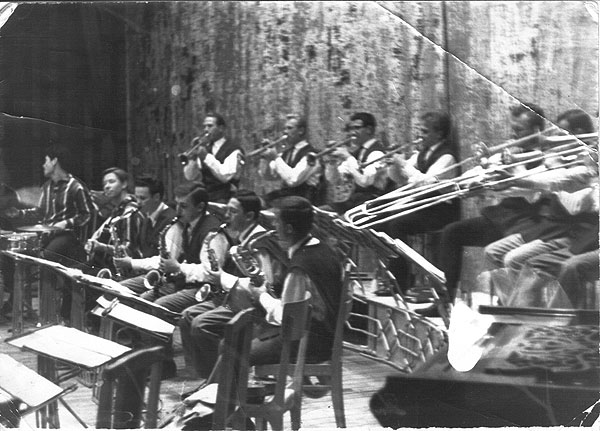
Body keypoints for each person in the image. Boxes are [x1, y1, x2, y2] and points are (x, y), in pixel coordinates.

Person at [191, 196, 344, 381]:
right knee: (231, 342)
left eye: (277, 222)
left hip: (306, 343)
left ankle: (220, 395)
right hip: (322, 335)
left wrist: (261, 295)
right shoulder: (325, 250)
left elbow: (285, 318)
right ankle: (219, 392)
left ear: (289, 228)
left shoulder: (299, 268)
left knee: (231, 348)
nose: (274, 227)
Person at [431, 103, 547, 317]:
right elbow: (485, 177)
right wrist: (471, 184)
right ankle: (444, 301)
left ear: (536, 130)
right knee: (451, 232)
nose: (513, 134)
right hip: (503, 218)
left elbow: (532, 195)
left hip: (527, 223)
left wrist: (507, 171)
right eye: (512, 128)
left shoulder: (545, 157)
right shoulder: (515, 151)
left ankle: (506, 305)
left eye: (519, 130)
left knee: (458, 235)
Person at [482, 108, 597, 287]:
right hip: (550, 227)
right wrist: (502, 183)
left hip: (571, 232)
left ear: (579, 133)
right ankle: (514, 300)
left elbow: (569, 200)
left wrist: (521, 174)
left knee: (514, 259)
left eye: (560, 134)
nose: (554, 139)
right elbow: (538, 180)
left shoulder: (584, 164)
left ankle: (520, 301)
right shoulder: (566, 158)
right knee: (494, 252)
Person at [179, 190, 281, 376]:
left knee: (201, 324)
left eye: (233, 211)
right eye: (227, 210)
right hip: (236, 299)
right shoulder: (243, 238)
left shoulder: (259, 242)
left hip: (254, 307)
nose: (227, 215)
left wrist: (222, 278)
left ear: (249, 216)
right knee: (188, 316)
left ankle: (219, 377)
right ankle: (200, 375)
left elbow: (264, 283)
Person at [2, 142, 97, 318]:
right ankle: (19, 304)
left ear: (54, 161)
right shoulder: (47, 187)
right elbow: (40, 213)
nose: (43, 165)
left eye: (46, 161)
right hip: (50, 237)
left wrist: (65, 223)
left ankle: (53, 313)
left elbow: (87, 214)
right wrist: (18, 213)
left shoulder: (76, 186)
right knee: (13, 256)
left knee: (47, 257)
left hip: (70, 238)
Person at [382, 111, 460, 292]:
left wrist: (403, 164)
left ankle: (400, 282)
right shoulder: (423, 153)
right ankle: (392, 275)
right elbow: (399, 178)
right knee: (384, 218)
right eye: (420, 130)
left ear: (439, 134)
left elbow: (427, 184)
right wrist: (393, 164)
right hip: (425, 206)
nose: (420, 135)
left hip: (441, 210)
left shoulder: (447, 157)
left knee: (397, 224)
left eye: (425, 131)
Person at [129, 183, 221, 311]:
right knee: (143, 300)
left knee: (159, 305)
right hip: (186, 283)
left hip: (205, 289)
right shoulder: (189, 224)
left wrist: (178, 267)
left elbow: (210, 273)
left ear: (200, 207)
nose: (177, 210)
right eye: (176, 204)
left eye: (183, 206)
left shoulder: (212, 233)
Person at [324, 112, 389, 214]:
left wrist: (348, 157)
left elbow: (365, 182)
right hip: (355, 203)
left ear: (369, 129)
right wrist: (332, 163)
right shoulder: (357, 152)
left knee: (332, 219)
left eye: (356, 128)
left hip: (372, 207)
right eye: (350, 129)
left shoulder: (377, 153)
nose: (352, 133)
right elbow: (334, 179)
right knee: (320, 212)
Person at [86, 167, 145, 276]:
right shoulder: (117, 210)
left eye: (111, 182)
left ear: (124, 184)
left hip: (127, 270)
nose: (107, 186)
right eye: (104, 184)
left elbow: (129, 250)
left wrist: (101, 247)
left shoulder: (129, 212)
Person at [258, 114, 322, 206]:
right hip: (286, 197)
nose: (285, 132)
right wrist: (265, 158)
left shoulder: (312, 154)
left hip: (303, 201)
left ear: (301, 131)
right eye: (285, 128)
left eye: (289, 128)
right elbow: (268, 177)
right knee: (254, 202)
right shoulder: (286, 153)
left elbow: (293, 180)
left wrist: (275, 158)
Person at [183, 113, 244, 203]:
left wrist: (206, 157)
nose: (206, 129)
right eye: (205, 126)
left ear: (221, 128)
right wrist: (193, 159)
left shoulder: (234, 149)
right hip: (206, 197)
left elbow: (225, 176)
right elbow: (190, 176)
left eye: (210, 126)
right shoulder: (205, 148)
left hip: (225, 198)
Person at [134, 174, 177, 258]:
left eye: (142, 198)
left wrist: (133, 263)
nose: (138, 202)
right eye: (136, 197)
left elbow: (167, 257)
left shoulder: (171, 220)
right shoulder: (146, 218)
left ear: (156, 197)